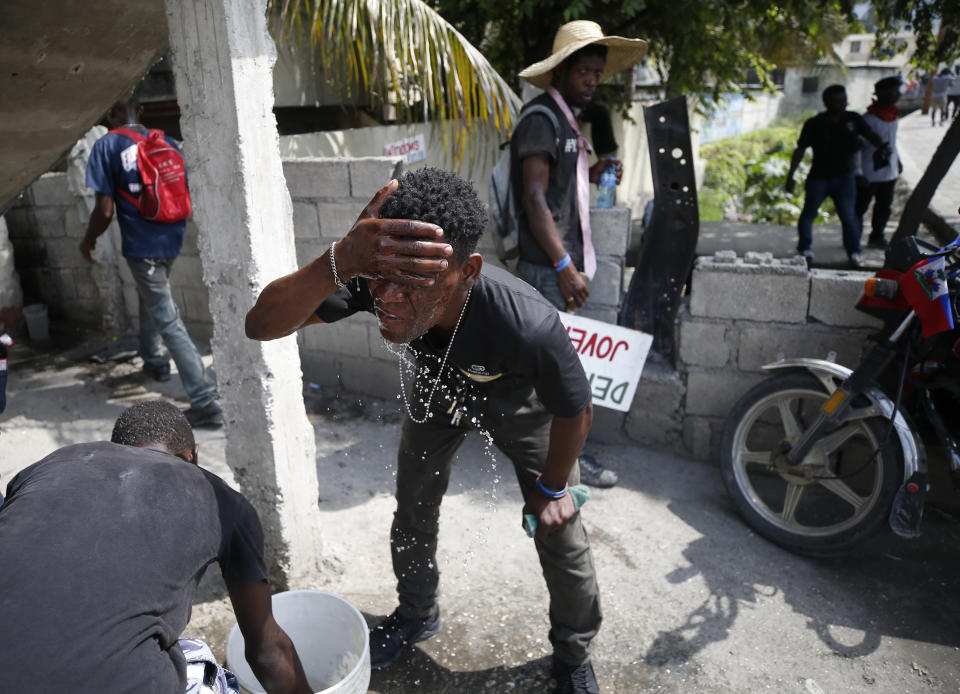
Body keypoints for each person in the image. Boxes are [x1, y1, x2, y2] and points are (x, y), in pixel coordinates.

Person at [245, 168, 605, 694]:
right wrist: (342, 260)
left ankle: (573, 655)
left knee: (559, 531)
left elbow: (576, 411)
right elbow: (263, 324)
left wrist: (552, 489)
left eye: (415, 284)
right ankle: (416, 612)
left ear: (469, 271)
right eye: (381, 277)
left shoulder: (526, 323)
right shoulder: (383, 277)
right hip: (437, 395)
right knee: (412, 505)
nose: (388, 298)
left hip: (519, 410)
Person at [0, 401, 312, 694]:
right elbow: (267, 652)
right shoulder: (219, 498)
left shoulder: (49, 466)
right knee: (200, 661)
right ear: (192, 455)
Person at [511, 20, 646, 488]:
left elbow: (561, 189)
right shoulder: (541, 119)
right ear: (561, 72)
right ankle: (565, 463)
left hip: (557, 265)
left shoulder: (567, 121)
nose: (592, 80)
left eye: (597, 72)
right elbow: (534, 198)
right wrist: (564, 266)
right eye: (584, 71)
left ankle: (549, 450)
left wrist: (593, 172)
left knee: (551, 372)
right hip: (548, 267)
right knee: (563, 375)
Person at [80, 94, 223, 428]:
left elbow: (104, 210)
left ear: (110, 114)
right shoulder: (166, 141)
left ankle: (204, 399)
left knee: (166, 316)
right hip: (172, 238)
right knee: (153, 302)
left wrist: (88, 241)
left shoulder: (106, 145)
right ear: (140, 110)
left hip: (140, 245)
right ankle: (155, 360)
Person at [785, 84, 887, 267]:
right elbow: (800, 150)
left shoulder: (853, 120)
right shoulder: (815, 123)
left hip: (845, 178)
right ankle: (805, 248)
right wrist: (791, 175)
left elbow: (871, 137)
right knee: (809, 213)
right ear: (826, 102)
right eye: (835, 101)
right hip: (819, 177)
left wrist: (881, 145)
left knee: (849, 216)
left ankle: (854, 252)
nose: (840, 104)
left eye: (843, 100)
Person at [855, 76, 904, 250]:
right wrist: (858, 172)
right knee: (860, 208)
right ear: (882, 93)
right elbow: (857, 148)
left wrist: (897, 161)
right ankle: (854, 239)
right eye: (894, 91)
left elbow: (892, 142)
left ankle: (877, 236)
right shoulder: (868, 120)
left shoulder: (894, 116)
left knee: (884, 207)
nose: (898, 94)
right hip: (869, 172)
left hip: (889, 172)